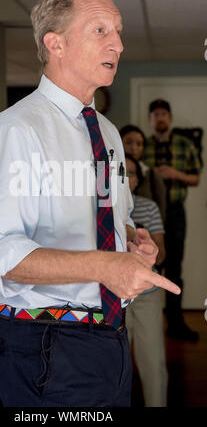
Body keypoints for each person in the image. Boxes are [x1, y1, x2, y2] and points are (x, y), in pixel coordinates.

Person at [0, 0, 180, 408]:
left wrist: (130, 245)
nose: (118, 45)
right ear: (56, 43)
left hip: (109, 335)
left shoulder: (106, 132)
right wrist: (105, 265)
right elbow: (0, 258)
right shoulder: (16, 129)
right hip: (46, 343)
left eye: (118, 31)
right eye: (100, 30)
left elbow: (112, 218)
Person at [143, 99, 201, 341]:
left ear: (170, 117)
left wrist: (175, 174)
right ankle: (148, 325)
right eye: (155, 114)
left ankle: (176, 324)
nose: (160, 118)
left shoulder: (184, 145)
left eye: (164, 113)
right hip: (148, 212)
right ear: (151, 119)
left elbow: (195, 178)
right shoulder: (143, 146)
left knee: (175, 268)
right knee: (148, 264)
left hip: (176, 212)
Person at [124, 154, 168, 407]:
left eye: (131, 173)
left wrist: (148, 247)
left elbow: (161, 253)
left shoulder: (148, 207)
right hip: (112, 296)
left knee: (152, 362)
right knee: (113, 364)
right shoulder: (99, 207)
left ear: (138, 180)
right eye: (121, 172)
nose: (126, 178)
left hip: (146, 296)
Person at [120, 124, 166, 223]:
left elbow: (161, 210)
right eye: (128, 142)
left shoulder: (152, 175)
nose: (134, 148)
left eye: (139, 144)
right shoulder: (107, 170)